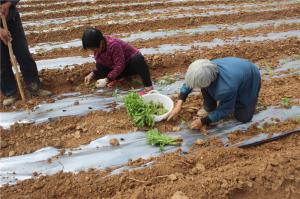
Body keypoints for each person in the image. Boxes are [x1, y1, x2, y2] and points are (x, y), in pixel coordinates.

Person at [167, 57, 261, 129]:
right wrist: (178, 105)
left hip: (250, 76)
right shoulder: (204, 69)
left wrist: (204, 121)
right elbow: (190, 82)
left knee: (243, 118)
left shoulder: (226, 88)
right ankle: (210, 107)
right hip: (235, 69)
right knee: (204, 86)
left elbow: (225, 109)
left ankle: (243, 102)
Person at [0, 1, 52, 106]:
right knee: (1, 61)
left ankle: (34, 87)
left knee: (23, 53)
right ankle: (10, 92)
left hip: (12, 19)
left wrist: (8, 4)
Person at [82, 27, 153, 95]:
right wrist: (92, 73)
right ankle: (120, 79)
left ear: (101, 42)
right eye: (91, 50)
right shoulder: (98, 49)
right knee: (99, 66)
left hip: (128, 64)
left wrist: (107, 80)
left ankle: (149, 88)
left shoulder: (113, 45)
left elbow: (120, 65)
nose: (94, 51)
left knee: (138, 59)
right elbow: (101, 62)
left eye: (94, 49)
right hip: (117, 68)